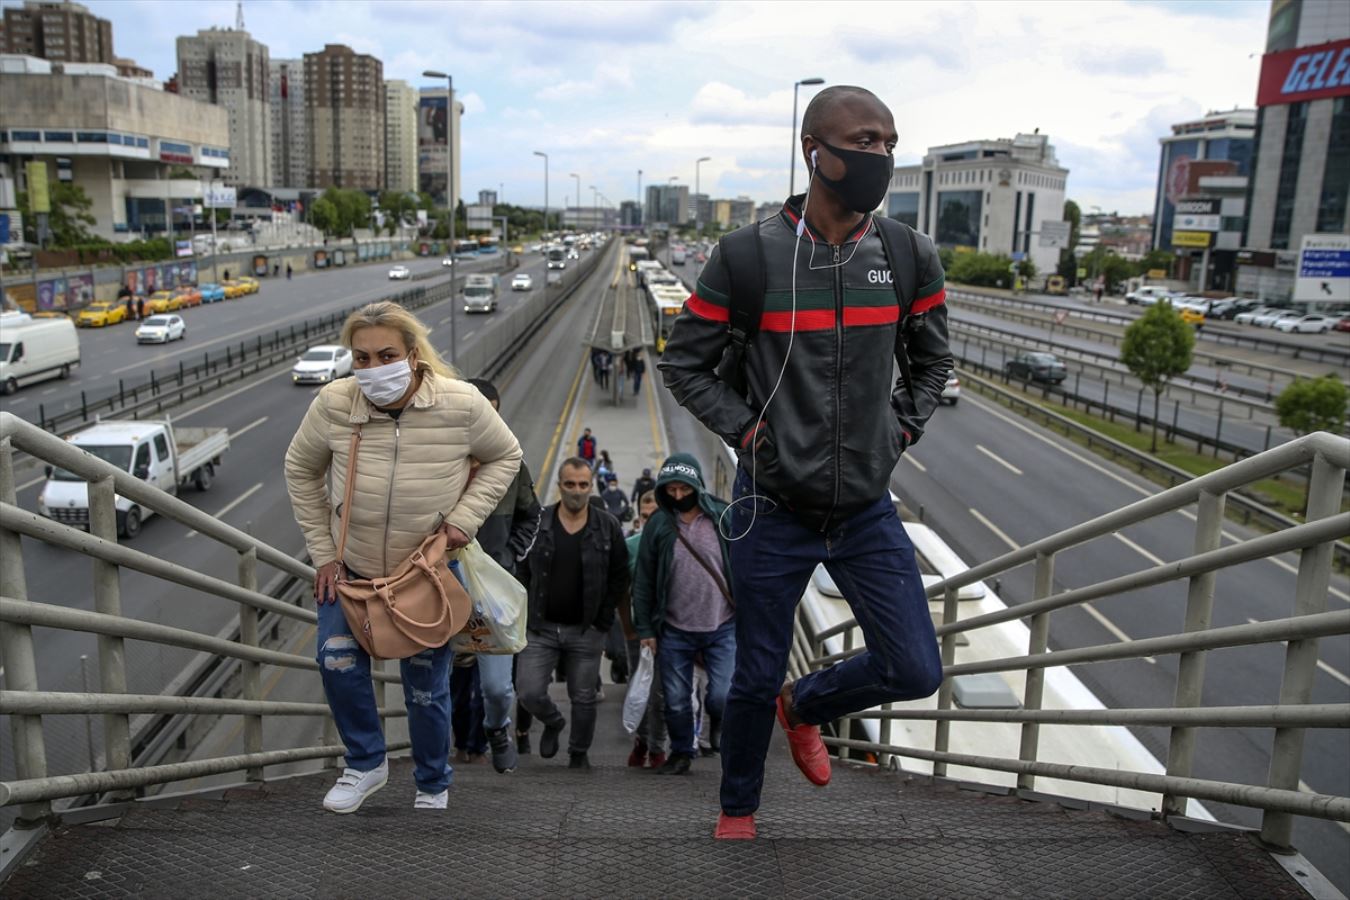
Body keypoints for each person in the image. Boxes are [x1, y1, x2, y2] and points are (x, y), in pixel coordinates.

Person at [659, 86, 948, 839]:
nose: (879, 155)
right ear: (813, 150)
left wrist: (900, 435)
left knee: (916, 669)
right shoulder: (749, 255)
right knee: (752, 675)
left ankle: (808, 704)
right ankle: (738, 807)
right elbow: (685, 364)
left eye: (889, 141)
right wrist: (750, 435)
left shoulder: (909, 254)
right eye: (864, 140)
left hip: (865, 513)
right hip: (771, 513)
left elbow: (931, 363)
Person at [284, 300, 523, 813]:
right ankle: (366, 763)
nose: (372, 368)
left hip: (425, 577)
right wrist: (325, 553)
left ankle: (433, 782)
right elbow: (300, 469)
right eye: (362, 357)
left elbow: (506, 455)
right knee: (335, 660)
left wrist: (459, 526)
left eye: (385, 354)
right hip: (352, 573)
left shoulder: (460, 404)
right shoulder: (334, 404)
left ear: (413, 355)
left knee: (425, 690)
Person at [514, 458, 629, 771]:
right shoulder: (540, 522)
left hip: (586, 629)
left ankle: (579, 754)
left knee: (584, 696)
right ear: (559, 486)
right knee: (529, 691)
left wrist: (602, 621)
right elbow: (521, 570)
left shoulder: (608, 526)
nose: (577, 492)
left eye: (583, 485)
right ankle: (553, 721)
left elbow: (620, 576)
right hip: (540, 627)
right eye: (570, 485)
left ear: (591, 486)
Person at [631, 454, 735, 777]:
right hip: (674, 628)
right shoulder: (659, 526)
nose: (678, 496)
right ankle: (681, 752)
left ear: (696, 486)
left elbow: (745, 563)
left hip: (722, 624)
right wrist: (645, 628)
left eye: (684, 488)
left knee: (722, 694)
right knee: (674, 700)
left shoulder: (721, 516)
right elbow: (644, 580)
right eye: (671, 490)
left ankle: (716, 724)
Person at [464, 377, 542, 765]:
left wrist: (509, 557)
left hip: (490, 592)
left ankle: (497, 729)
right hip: (437, 586)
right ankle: (433, 769)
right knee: (431, 683)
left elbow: (532, 515)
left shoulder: (512, 466)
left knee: (496, 687)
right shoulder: (433, 463)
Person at [620, 489, 667, 768]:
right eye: (645, 516)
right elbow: (622, 592)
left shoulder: (675, 543)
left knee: (661, 693)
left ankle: (657, 748)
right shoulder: (632, 547)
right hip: (638, 632)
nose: (650, 522)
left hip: (669, 632)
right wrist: (628, 628)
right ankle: (643, 740)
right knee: (639, 687)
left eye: (655, 516)